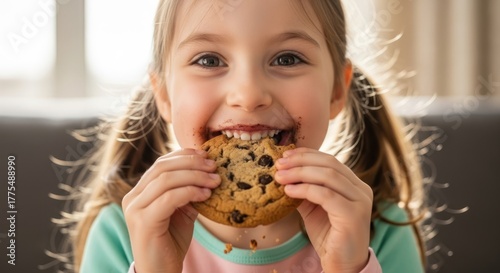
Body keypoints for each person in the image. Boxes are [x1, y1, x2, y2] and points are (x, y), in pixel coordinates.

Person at [63, 0, 428, 272]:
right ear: (164, 95)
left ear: (336, 91)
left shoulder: (378, 232)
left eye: (286, 59)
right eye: (208, 60)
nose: (249, 94)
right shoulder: (123, 234)